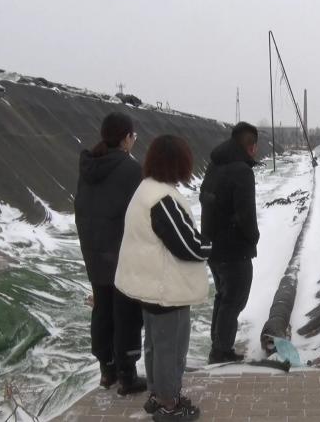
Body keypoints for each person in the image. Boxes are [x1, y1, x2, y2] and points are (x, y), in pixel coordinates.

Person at [115, 135, 209, 421]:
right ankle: (170, 405)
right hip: (166, 289)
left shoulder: (145, 189)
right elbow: (187, 245)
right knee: (171, 349)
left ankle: (158, 396)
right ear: (179, 163)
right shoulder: (162, 199)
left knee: (155, 346)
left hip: (149, 286)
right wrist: (213, 246)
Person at [74, 112, 147, 395]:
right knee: (127, 314)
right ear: (126, 138)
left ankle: (107, 370)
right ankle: (127, 376)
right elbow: (142, 215)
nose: (134, 141)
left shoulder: (88, 167)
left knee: (102, 311)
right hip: (121, 255)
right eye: (133, 136)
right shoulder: (130, 170)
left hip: (94, 252)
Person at [199, 122, 260, 364]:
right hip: (235, 248)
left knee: (223, 296)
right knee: (234, 299)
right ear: (251, 146)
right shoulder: (242, 171)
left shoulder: (215, 164)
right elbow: (246, 213)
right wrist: (253, 237)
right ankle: (221, 351)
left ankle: (218, 344)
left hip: (213, 245)